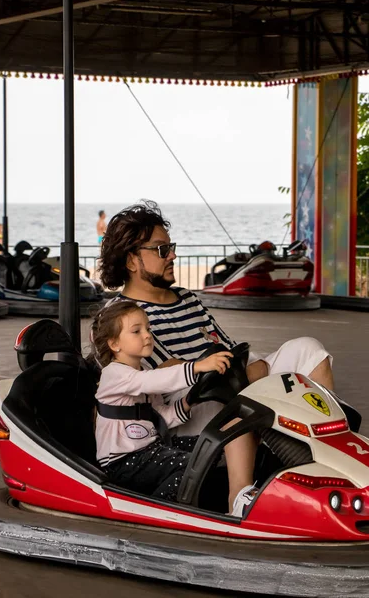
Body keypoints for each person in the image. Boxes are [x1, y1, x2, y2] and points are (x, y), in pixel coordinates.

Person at [98, 201, 334, 432]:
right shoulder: (120, 316)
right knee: (228, 389)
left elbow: (229, 350)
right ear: (131, 261)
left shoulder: (188, 298)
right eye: (162, 250)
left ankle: (331, 438)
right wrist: (251, 370)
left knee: (308, 349)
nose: (172, 256)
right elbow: (170, 372)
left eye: (171, 247)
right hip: (188, 405)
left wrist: (251, 367)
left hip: (228, 378)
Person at [92, 300, 257, 515]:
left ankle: (236, 501)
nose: (147, 335)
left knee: (214, 443)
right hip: (122, 463)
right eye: (137, 331)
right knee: (190, 465)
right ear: (115, 344)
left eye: (148, 329)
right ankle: (158, 513)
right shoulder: (114, 374)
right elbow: (154, 380)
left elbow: (164, 417)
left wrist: (192, 399)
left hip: (151, 450)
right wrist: (197, 367)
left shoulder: (141, 371)